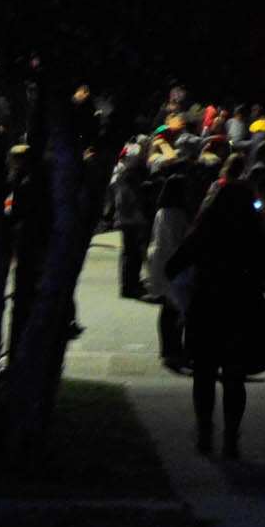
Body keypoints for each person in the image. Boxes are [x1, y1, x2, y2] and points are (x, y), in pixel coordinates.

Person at [167, 168, 265, 458]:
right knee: (234, 377)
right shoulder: (254, 234)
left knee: (204, 374)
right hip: (242, 309)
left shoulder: (206, 230)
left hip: (207, 308)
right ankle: (230, 437)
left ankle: (204, 431)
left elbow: (173, 265)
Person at [146, 169, 199, 372]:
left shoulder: (162, 211)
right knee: (176, 307)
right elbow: (179, 240)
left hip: (161, 262)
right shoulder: (176, 213)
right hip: (173, 264)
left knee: (169, 308)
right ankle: (174, 350)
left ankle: (169, 349)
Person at [108, 148, 153, 301]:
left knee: (132, 254)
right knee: (132, 254)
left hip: (128, 220)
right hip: (130, 221)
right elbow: (126, 200)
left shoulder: (126, 176)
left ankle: (131, 283)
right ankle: (129, 286)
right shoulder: (127, 178)